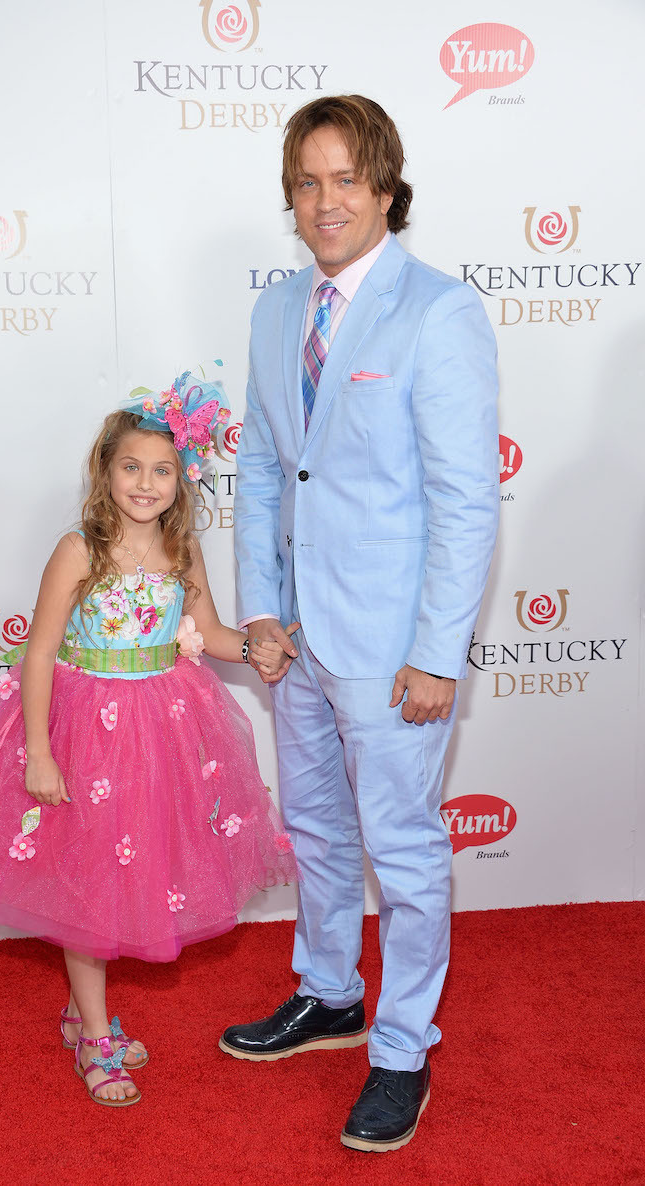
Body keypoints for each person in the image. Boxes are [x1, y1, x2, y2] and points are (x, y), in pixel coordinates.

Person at [221, 95, 499, 1152]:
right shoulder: (272, 309)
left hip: (392, 652)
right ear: (288, 196)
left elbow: (464, 499)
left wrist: (436, 653)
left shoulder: (438, 313)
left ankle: (400, 1047)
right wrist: (256, 607)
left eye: (345, 179)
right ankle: (328, 993)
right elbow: (258, 465)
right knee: (321, 837)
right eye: (306, 180)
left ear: (385, 189)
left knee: (404, 850)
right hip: (292, 637)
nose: (324, 200)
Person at [0, 372, 296, 1108]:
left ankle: (82, 1021)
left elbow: (207, 636)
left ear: (184, 480)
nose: (145, 484)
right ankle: (93, 1028)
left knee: (134, 873)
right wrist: (42, 751)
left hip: (162, 731)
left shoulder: (182, 551)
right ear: (105, 471)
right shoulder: (79, 550)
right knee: (90, 888)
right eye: (131, 467)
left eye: (162, 471)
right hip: (86, 735)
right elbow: (40, 653)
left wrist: (259, 649)